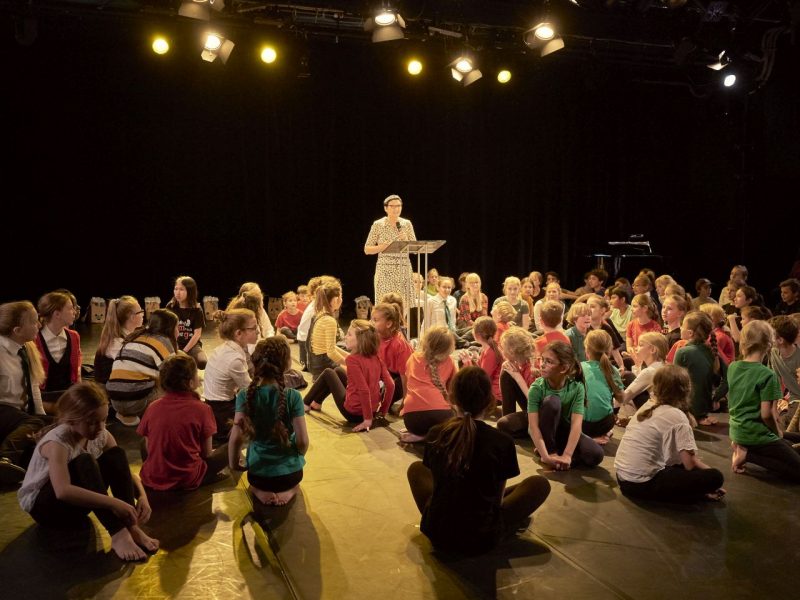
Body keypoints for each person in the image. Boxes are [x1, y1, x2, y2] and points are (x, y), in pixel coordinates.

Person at [406, 366, 551, 555]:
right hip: (481, 537)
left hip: (437, 531)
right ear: (489, 402)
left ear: (453, 399)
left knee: (417, 469)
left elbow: (439, 486)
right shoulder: (501, 441)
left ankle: (448, 515)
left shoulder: (436, 433)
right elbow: (497, 499)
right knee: (538, 484)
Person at [17, 382, 158, 561]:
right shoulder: (58, 441)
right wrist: (113, 503)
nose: (99, 427)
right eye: (91, 422)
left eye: (103, 420)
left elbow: (123, 471)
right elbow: (62, 491)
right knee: (85, 461)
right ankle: (118, 533)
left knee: (116, 454)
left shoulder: (101, 434)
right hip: (47, 510)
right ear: (71, 420)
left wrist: (142, 496)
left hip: (77, 507)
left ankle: (131, 526)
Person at [615, 365, 726, 502]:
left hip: (623, 479)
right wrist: (707, 477)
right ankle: (696, 494)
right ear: (686, 390)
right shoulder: (677, 416)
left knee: (684, 470)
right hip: (641, 484)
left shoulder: (648, 405)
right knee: (715, 477)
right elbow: (690, 464)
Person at [229, 337, 309, 506]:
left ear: (255, 362)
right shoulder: (293, 396)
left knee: (255, 483)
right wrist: (296, 455)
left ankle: (258, 491)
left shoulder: (244, 395)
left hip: (259, 476)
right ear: (287, 364)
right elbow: (302, 442)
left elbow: (236, 438)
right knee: (295, 481)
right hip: (290, 475)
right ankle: (290, 490)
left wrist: (234, 464)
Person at [138, 355, 228, 490]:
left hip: (153, 477)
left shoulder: (153, 406)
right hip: (186, 478)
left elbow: (147, 445)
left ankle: (160, 472)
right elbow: (206, 454)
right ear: (191, 382)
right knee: (230, 447)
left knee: (143, 442)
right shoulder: (202, 409)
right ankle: (202, 478)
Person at [730, 321, 800, 480]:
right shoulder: (767, 375)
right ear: (770, 344)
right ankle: (748, 455)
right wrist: (777, 433)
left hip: (738, 431)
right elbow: (766, 415)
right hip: (758, 435)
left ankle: (746, 448)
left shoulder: (733, 367)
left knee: (790, 444)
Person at [303, 320, 395, 430]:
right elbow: (391, 385)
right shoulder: (376, 357)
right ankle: (317, 402)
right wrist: (382, 412)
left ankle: (304, 404)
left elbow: (364, 390)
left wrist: (368, 420)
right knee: (337, 370)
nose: (345, 337)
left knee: (328, 372)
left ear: (361, 340)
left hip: (353, 414)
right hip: (372, 410)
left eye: (349, 334)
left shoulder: (352, 360)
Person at [527, 340, 604, 470]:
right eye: (542, 360)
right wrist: (546, 456)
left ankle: (562, 456)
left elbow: (576, 425)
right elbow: (533, 427)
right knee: (552, 401)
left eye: (549, 362)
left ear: (563, 368)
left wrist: (568, 455)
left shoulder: (577, 387)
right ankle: (550, 450)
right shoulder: (536, 388)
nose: (542, 365)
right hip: (545, 431)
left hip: (564, 431)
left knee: (596, 455)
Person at [106, 309, 179, 427]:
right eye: (177, 327)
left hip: (115, 401)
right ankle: (143, 413)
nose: (178, 331)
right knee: (174, 387)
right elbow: (173, 377)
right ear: (169, 328)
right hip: (136, 402)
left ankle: (126, 414)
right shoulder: (164, 342)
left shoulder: (136, 337)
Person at [0, 301, 46, 483]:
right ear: (17, 330)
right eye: (34, 322)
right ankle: (4, 457)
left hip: (19, 413)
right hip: (4, 409)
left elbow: (33, 386)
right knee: (33, 422)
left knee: (55, 421)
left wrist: (41, 417)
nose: (39, 325)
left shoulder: (26, 348)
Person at [203, 309, 259, 443]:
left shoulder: (225, 348)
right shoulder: (235, 359)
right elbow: (250, 389)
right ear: (239, 333)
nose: (257, 331)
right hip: (222, 410)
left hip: (214, 404)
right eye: (254, 328)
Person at [400, 326, 456, 443]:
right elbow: (454, 391)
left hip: (412, 420)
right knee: (454, 422)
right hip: (441, 416)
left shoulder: (413, 358)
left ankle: (421, 435)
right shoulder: (450, 361)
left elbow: (407, 382)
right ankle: (429, 437)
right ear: (449, 347)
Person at [363, 194, 417, 309]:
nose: (396, 209)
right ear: (386, 208)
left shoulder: (406, 224)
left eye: (399, 206)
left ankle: (402, 326)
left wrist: (406, 239)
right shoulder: (378, 224)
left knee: (404, 303)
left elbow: (415, 249)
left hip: (404, 268)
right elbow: (367, 249)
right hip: (385, 269)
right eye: (392, 206)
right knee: (385, 304)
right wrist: (383, 247)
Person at [674, 311, 726, 427]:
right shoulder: (712, 352)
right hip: (705, 410)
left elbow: (674, 383)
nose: (680, 327)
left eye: (683, 325)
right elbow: (728, 379)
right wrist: (715, 398)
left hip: (687, 412)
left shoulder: (683, 352)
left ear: (690, 333)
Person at [34, 291, 82, 411]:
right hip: (44, 395)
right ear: (57, 314)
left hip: (67, 393)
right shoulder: (34, 339)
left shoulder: (74, 336)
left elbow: (76, 374)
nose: (75, 312)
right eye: (71, 308)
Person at [581, 330, 624, 445]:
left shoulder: (579, 367)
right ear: (609, 350)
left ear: (587, 349)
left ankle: (584, 437)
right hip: (604, 424)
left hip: (580, 424)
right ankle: (601, 434)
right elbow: (621, 398)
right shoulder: (613, 370)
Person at [496, 328, 538, 437]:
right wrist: (504, 370)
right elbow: (504, 392)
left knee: (503, 424)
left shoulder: (532, 368)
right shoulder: (520, 364)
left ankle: (532, 432)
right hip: (530, 407)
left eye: (502, 347)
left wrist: (518, 377)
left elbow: (536, 402)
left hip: (540, 412)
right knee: (507, 375)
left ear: (511, 351)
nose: (501, 350)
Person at [94, 296, 144, 385]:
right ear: (132, 317)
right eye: (140, 311)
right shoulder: (116, 343)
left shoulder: (128, 335)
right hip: (109, 390)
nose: (143, 314)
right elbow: (135, 367)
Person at [373, 302, 413, 409]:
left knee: (380, 404)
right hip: (389, 373)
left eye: (375, 320)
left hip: (405, 377)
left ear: (389, 324)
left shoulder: (399, 344)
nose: (372, 323)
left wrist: (405, 403)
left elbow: (406, 377)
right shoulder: (377, 337)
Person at [306, 281, 348, 381]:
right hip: (323, 365)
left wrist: (349, 356)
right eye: (340, 296)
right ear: (335, 300)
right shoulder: (329, 320)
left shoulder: (320, 314)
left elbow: (331, 347)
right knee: (357, 371)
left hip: (316, 363)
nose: (341, 300)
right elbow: (331, 352)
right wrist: (350, 363)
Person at [166, 275, 207, 369]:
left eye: (181, 289)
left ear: (190, 291)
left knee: (203, 362)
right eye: (176, 289)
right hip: (174, 343)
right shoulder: (170, 306)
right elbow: (166, 330)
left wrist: (184, 351)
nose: (177, 293)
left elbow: (197, 335)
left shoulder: (197, 309)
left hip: (191, 344)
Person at [460, 316, 503, 403]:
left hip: (493, 395)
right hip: (491, 392)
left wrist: (468, 362)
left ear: (477, 334)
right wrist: (472, 360)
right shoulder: (488, 348)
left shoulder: (490, 352)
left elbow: (481, 379)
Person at [625, 294, 662, 368]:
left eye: (635, 306)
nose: (632, 309)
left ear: (644, 308)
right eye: (632, 306)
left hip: (648, 360)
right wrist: (632, 352)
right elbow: (629, 346)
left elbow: (654, 350)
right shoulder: (631, 324)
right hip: (635, 357)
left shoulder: (655, 327)